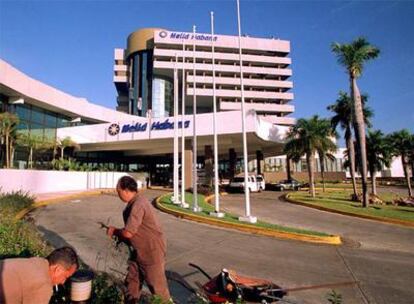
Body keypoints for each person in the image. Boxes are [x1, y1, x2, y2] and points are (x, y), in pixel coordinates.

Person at [107, 176, 170, 303]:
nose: (118, 195)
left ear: (125, 190)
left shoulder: (138, 204)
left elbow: (129, 233)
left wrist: (115, 231)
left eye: (118, 191)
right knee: (132, 283)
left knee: (158, 290)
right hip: (138, 252)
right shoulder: (135, 203)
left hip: (151, 252)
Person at [0, 246, 79, 304]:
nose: (63, 282)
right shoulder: (43, 284)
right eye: (65, 277)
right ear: (57, 270)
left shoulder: (37, 262)